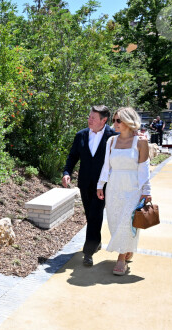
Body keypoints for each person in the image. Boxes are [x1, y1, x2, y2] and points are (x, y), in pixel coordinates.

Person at [96, 107, 152, 276]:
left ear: (129, 121)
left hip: (133, 188)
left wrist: (147, 190)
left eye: (118, 120)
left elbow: (144, 168)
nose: (115, 123)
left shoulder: (141, 142)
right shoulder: (111, 141)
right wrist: (100, 184)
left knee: (127, 221)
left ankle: (121, 259)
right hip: (114, 187)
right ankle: (127, 247)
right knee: (115, 222)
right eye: (114, 120)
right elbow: (107, 165)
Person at [63, 105, 117, 266]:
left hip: (104, 184)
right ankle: (96, 240)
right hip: (85, 183)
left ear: (104, 120)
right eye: (89, 116)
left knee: (95, 213)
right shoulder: (81, 135)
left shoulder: (113, 137)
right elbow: (72, 156)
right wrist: (67, 172)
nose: (89, 120)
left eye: (93, 118)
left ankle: (88, 252)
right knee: (91, 215)